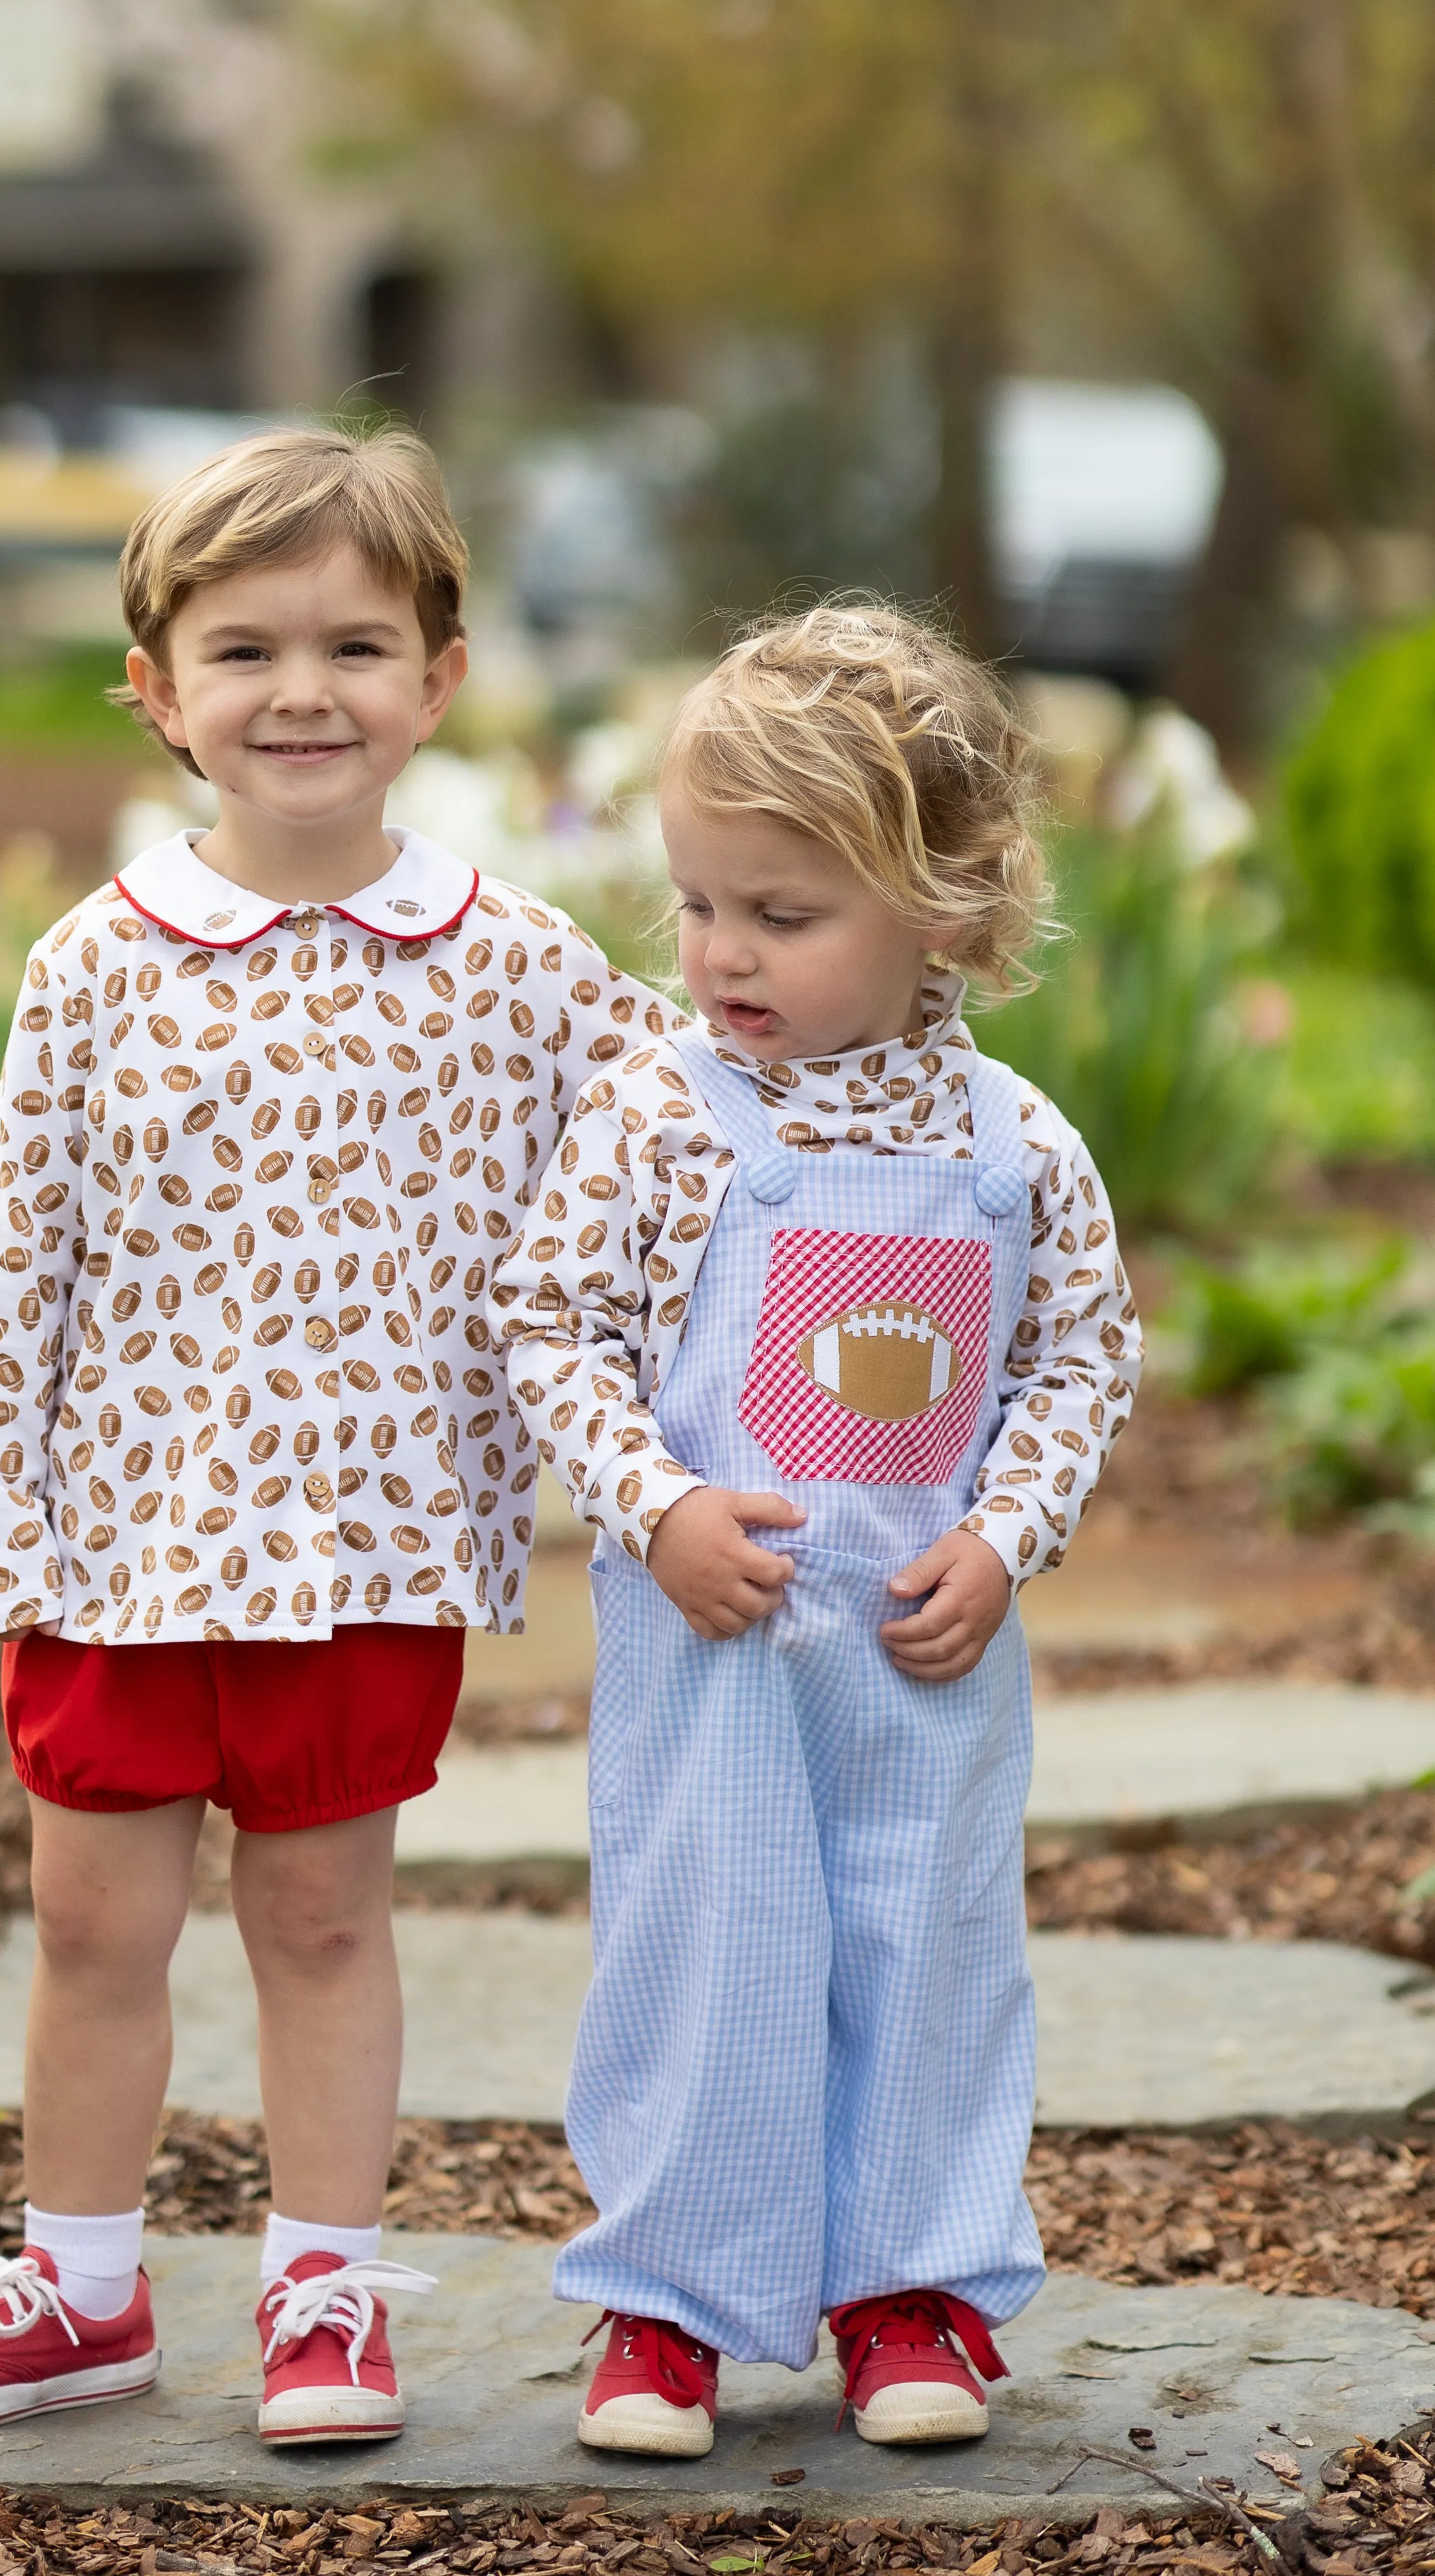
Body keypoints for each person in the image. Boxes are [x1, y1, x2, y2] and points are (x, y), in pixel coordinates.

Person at [0, 426, 668, 2444]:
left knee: (321, 1917)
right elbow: (7, 1267)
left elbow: (680, 1155)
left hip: (371, 1545)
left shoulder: (525, 970)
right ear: (157, 688)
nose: (303, 689)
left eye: (358, 644)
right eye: (245, 648)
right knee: (99, 1918)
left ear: (441, 680)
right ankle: (82, 2286)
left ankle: (321, 2293)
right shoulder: (98, 966)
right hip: (123, 1543)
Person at [494, 604, 1142, 2459]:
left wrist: (1006, 1536)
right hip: (711, 1644)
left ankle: (908, 2286)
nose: (719, 954)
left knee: (923, 1939)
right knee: (706, 1941)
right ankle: (667, 2307)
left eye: (782, 915)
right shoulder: (659, 1116)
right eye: (699, 903)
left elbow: (1078, 1353)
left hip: (923, 1648)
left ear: (942, 903)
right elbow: (553, 1323)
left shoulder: (1015, 1145)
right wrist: (661, 1503)